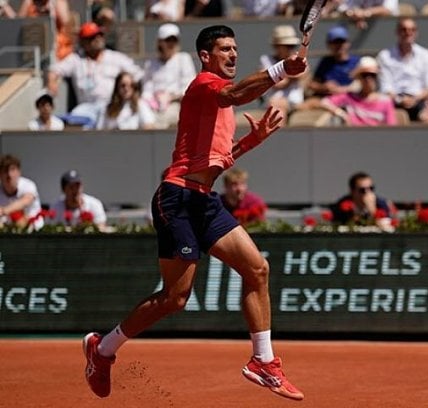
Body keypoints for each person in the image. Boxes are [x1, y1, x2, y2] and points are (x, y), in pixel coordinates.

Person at [81, 24, 307, 401]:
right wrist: (281, 70)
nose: (233, 54)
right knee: (175, 298)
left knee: (257, 269)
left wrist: (253, 140)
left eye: (235, 48)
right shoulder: (204, 84)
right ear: (206, 56)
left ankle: (263, 362)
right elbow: (236, 93)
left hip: (204, 200)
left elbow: (218, 161)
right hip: (177, 199)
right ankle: (103, 349)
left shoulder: (224, 108)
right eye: (224, 49)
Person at [47, 22, 144, 127]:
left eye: (99, 35)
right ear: (83, 42)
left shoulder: (115, 57)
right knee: (72, 123)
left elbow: (138, 75)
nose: (97, 39)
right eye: (92, 37)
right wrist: (52, 82)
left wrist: (134, 96)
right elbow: (54, 69)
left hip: (112, 106)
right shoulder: (76, 59)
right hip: (87, 107)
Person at [376, 18, 428, 122]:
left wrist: (415, 99)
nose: (408, 33)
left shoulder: (426, 55)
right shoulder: (384, 56)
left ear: (416, 33)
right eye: (404, 29)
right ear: (397, 32)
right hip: (394, 101)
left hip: (419, 100)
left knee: (427, 115)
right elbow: (385, 87)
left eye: (412, 30)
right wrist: (399, 100)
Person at [142, 23, 196, 128]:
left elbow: (189, 87)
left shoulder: (183, 58)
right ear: (160, 42)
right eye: (167, 40)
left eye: (174, 40)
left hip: (176, 105)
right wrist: (154, 101)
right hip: (153, 107)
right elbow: (146, 90)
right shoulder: (150, 63)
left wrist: (171, 97)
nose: (171, 44)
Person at [320, 56, 397, 126]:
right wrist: (341, 113)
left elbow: (392, 129)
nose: (368, 79)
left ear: (377, 78)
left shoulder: (386, 101)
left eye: (372, 75)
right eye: (365, 75)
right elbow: (324, 102)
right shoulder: (348, 97)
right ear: (359, 77)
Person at [303, 25, 360, 108]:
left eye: (341, 42)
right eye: (335, 42)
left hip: (352, 100)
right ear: (329, 44)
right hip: (328, 101)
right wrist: (324, 87)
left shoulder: (357, 62)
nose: (339, 45)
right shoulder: (326, 62)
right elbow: (312, 84)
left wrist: (340, 90)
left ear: (348, 43)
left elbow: (362, 86)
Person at [259, 25, 305, 119]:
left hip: (293, 101)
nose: (290, 49)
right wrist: (289, 76)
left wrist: (280, 77)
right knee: (276, 107)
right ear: (277, 46)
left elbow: (302, 74)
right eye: (287, 46)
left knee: (278, 109)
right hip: (272, 101)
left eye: (292, 46)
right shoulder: (266, 60)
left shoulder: (298, 58)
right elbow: (273, 84)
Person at [330, 171, 394, 231]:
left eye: (371, 188)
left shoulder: (381, 203)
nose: (368, 192)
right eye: (362, 190)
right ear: (352, 191)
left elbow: (388, 229)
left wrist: (373, 210)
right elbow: (337, 226)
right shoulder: (342, 205)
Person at [0, 154, 43, 230]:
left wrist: (3, 211)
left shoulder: (28, 185)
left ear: (19, 172)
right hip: (7, 234)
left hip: (34, 233)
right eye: (5, 171)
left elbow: (26, 201)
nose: (9, 175)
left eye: (12, 170)